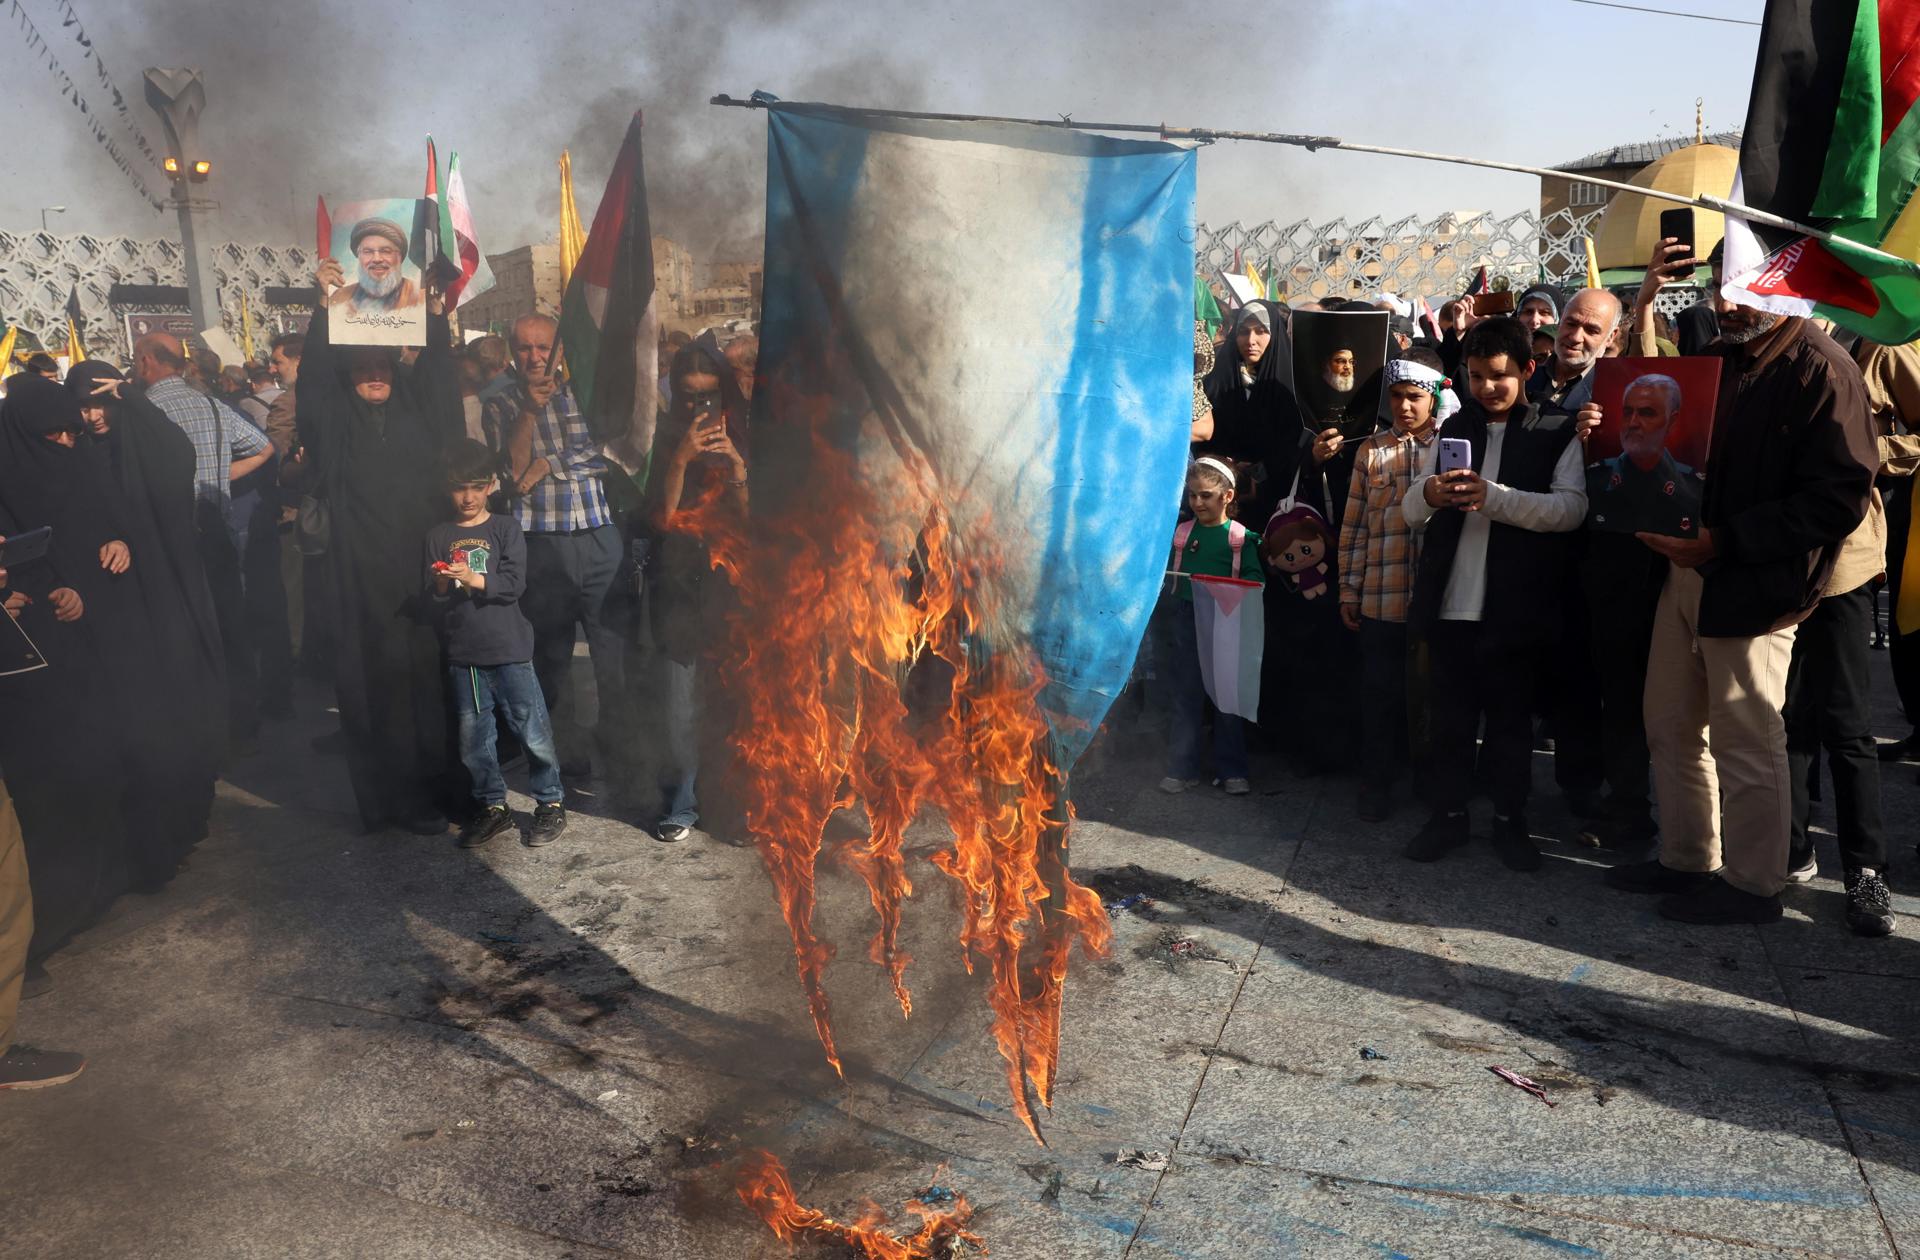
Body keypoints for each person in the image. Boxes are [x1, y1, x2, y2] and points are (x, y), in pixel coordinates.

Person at [1606, 246, 1876, 925]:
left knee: (1747, 739)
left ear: (1785, 290)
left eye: (1741, 294)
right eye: (1718, 290)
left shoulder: (1824, 370)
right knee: (1669, 723)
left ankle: (1755, 885)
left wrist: (1726, 540)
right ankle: (1687, 857)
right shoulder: (1722, 359)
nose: (1723, 308)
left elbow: (1836, 499)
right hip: (1687, 572)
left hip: (1757, 585)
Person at [1402, 317, 1587, 870]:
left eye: (1500, 376)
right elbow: (1412, 512)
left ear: (1528, 369)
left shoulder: (1557, 429)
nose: (1487, 387)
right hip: (1451, 605)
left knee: (1510, 728)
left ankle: (1510, 822)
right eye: (1478, 376)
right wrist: (1430, 491)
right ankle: (1448, 818)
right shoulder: (1457, 426)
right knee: (1451, 724)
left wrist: (1495, 498)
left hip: (1517, 610)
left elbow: (1571, 510)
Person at [299, 257, 460, 834]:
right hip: (362, 584)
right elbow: (312, 388)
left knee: (431, 686)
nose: (374, 374)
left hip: (422, 576)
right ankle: (395, 801)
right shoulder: (336, 427)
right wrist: (325, 311)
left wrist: (435, 316)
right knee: (380, 691)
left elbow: (443, 390)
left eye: (382, 364)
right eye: (362, 365)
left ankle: (442, 790)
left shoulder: (416, 418)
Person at [67, 361, 225, 879]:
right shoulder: (79, 455)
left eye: (102, 404)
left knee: (183, 700)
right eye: (85, 406)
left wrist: (132, 397)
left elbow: (177, 456)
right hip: (120, 603)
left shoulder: (146, 440)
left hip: (168, 590)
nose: (93, 417)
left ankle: (188, 806)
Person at [482, 314, 627, 778]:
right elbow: (509, 471)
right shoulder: (501, 404)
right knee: (552, 658)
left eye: (543, 347)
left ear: (559, 351)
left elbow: (605, 456)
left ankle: (621, 740)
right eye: (524, 348)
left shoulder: (586, 395)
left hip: (599, 538)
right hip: (541, 544)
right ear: (511, 353)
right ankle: (566, 752)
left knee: (613, 652)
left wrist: (548, 465)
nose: (535, 357)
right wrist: (528, 412)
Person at [133, 331, 273, 749]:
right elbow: (264, 448)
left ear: (145, 362)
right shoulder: (212, 406)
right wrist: (221, 476)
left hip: (171, 538)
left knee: (183, 636)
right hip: (218, 531)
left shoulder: (143, 410)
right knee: (231, 628)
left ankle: (198, 725)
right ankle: (243, 721)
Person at [428, 439, 566, 850]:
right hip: (464, 655)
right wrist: (440, 581)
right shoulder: (438, 535)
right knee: (474, 738)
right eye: (457, 488)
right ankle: (493, 806)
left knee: (532, 730)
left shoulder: (505, 527)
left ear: (490, 485)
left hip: (509, 649)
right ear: (446, 488)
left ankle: (550, 802)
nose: (467, 497)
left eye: (475, 486)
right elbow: (434, 598)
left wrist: (473, 579)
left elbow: (513, 585)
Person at [1338, 349, 1450, 821]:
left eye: (1415, 398)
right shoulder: (1371, 450)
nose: (1405, 407)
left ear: (1433, 399)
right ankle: (1376, 782)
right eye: (1398, 397)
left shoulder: (1449, 445)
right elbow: (1354, 524)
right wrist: (1349, 588)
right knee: (1378, 695)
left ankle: (1431, 780)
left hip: (1435, 599)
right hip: (1381, 596)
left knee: (1432, 696)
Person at [644, 341, 750, 842]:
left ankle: (729, 807)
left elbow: (753, 524)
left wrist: (738, 471)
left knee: (732, 704)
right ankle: (682, 802)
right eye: (688, 397)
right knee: (680, 705)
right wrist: (681, 461)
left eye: (708, 397)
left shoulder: (745, 429)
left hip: (729, 589)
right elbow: (662, 521)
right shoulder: (661, 436)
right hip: (679, 587)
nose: (699, 408)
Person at [1782, 491, 1894, 936]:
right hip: (1778, 566)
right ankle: (1790, 849)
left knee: (1846, 726)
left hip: (1841, 568)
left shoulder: (1859, 419)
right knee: (1784, 718)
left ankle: (1866, 871)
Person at [1162, 457, 1264, 796]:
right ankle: (1182, 767)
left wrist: (1230, 589)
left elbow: (1254, 579)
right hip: (1185, 620)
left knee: (1226, 698)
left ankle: (1231, 769)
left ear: (1228, 496)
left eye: (1206, 495)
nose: (1197, 503)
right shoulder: (1181, 534)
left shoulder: (1238, 538)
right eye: (1192, 496)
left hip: (1225, 623)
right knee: (1185, 695)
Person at [1859, 334, 1920, 765]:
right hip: (1842, 503)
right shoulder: (1824, 332)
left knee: (1908, 616)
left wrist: (1867, 452)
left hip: (1892, 502)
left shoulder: (1892, 340)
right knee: (1902, 626)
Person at [1583, 374, 1702, 538]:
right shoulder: (1595, 476)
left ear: (1672, 422)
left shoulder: (1692, 487)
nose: (1632, 423)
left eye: (1647, 413)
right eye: (1627, 412)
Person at [326, 218, 423, 314]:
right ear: (359, 256)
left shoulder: (421, 299)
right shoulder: (339, 299)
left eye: (386, 251)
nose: (377, 259)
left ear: (399, 257)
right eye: (367, 252)